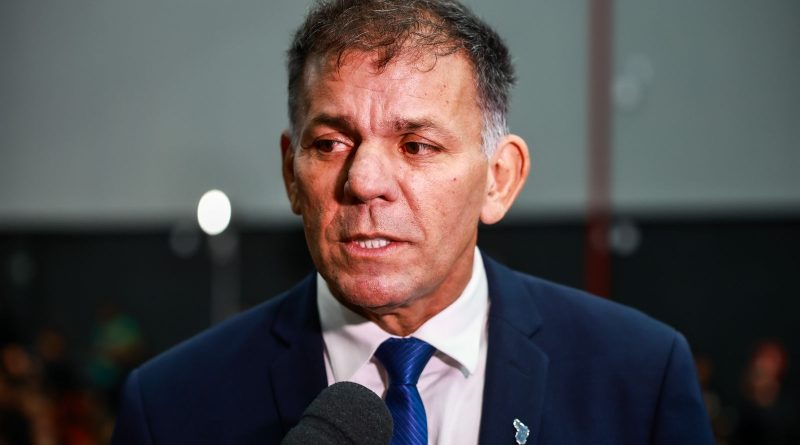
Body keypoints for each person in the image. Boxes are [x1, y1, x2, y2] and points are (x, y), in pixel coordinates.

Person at [111, 0, 714, 443]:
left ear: (499, 179)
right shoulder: (171, 407)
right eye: (330, 143)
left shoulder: (640, 377)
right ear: (292, 175)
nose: (364, 181)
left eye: (417, 145)